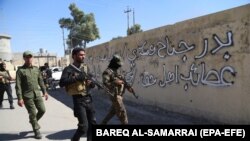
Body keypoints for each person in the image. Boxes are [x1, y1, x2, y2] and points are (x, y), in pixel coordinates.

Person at [59, 47, 96, 141]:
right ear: (74, 56)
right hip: (78, 100)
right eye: (81, 55)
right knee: (83, 127)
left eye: (84, 55)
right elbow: (62, 82)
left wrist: (91, 83)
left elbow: (92, 82)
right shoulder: (68, 69)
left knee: (93, 124)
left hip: (88, 98)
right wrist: (77, 78)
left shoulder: (86, 68)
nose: (83, 56)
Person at [15, 51, 49, 139]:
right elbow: (18, 85)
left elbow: (40, 81)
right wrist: (19, 98)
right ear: (24, 58)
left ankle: (33, 121)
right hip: (27, 96)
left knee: (42, 110)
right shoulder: (20, 71)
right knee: (32, 113)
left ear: (32, 58)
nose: (29, 59)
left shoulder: (36, 69)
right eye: (27, 57)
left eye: (30, 57)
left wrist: (44, 92)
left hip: (37, 94)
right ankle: (36, 130)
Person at [101, 54, 134, 125]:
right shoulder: (107, 72)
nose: (119, 66)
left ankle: (103, 123)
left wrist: (128, 87)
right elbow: (105, 84)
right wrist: (115, 82)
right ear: (114, 63)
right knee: (122, 113)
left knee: (113, 111)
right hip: (114, 95)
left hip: (119, 95)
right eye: (118, 64)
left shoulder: (116, 71)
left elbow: (123, 80)